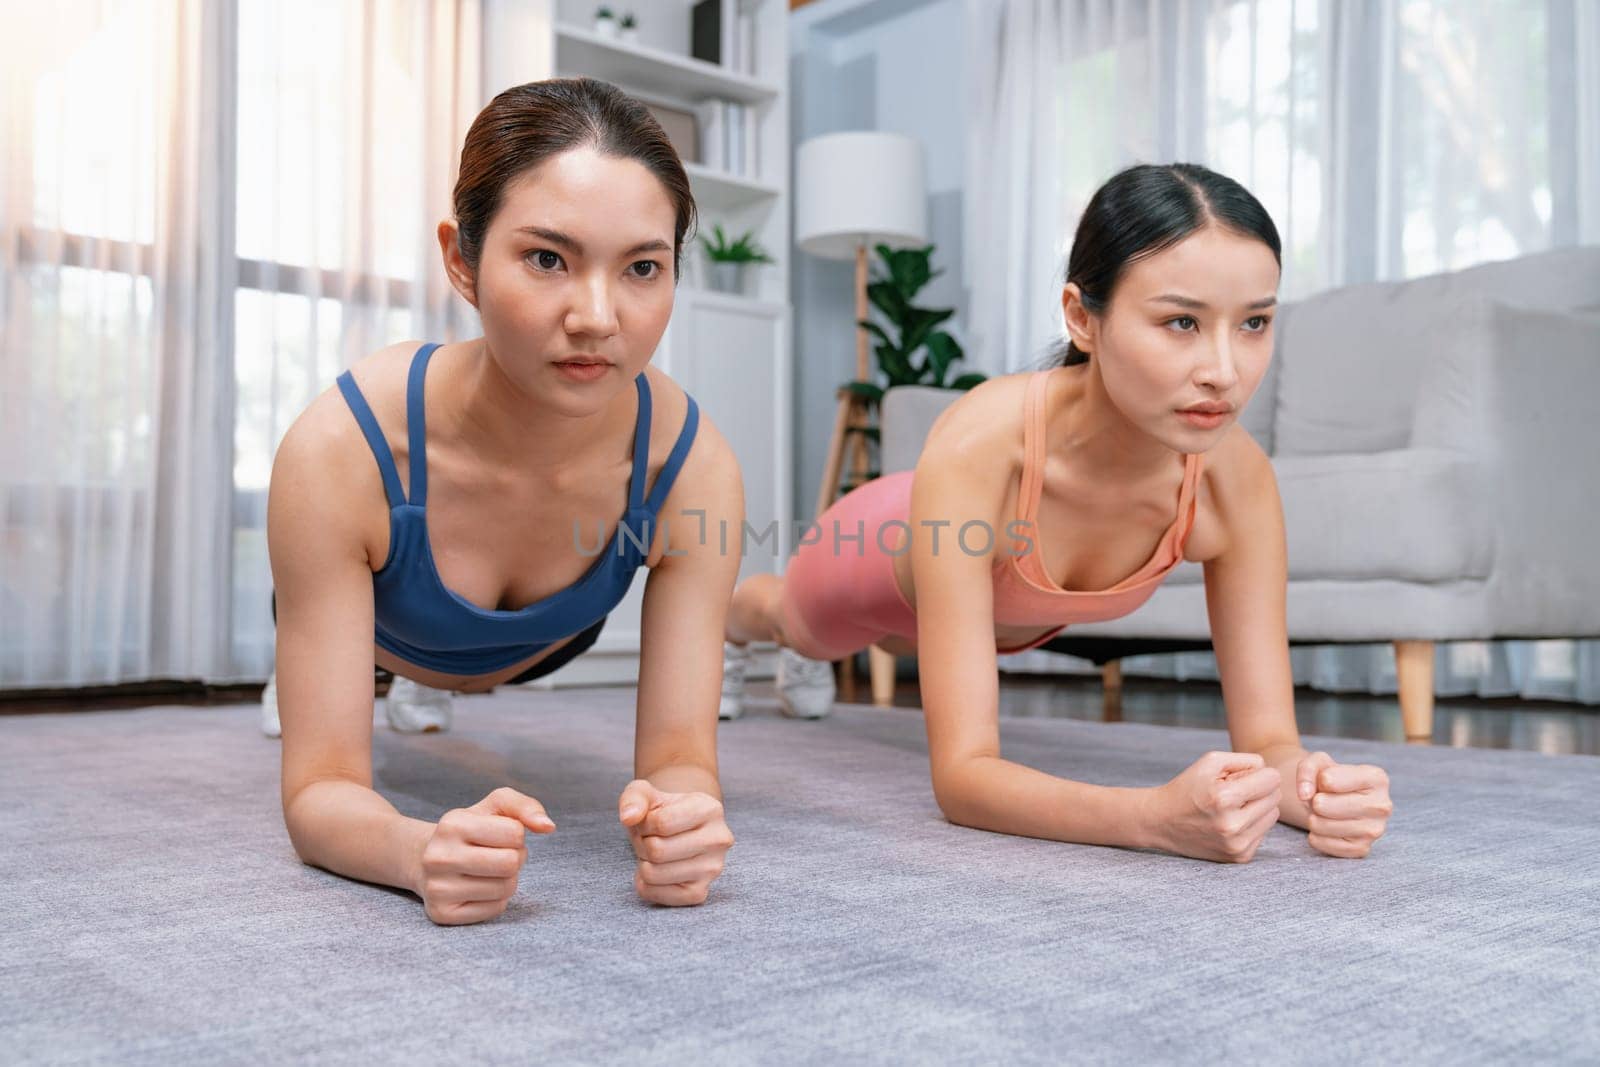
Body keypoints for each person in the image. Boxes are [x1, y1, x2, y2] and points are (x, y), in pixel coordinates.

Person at [721, 163, 1392, 863]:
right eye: (1181, 322)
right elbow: (963, 777)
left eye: (1254, 322)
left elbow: (1269, 742)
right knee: (797, 625)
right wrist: (1153, 817)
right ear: (1081, 317)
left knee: (901, 645)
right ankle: (734, 630)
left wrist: (1312, 789)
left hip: (992, 612)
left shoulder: (1235, 479)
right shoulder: (982, 444)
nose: (1224, 370)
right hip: (874, 552)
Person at [266, 78, 740, 924]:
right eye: (547, 258)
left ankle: (424, 689)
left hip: (543, 643)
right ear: (461, 259)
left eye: (642, 267)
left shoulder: (691, 465)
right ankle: (342, 672)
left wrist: (685, 817)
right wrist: (413, 850)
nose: (597, 317)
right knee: (326, 697)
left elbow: (678, 754)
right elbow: (322, 790)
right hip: (387, 628)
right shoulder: (342, 450)